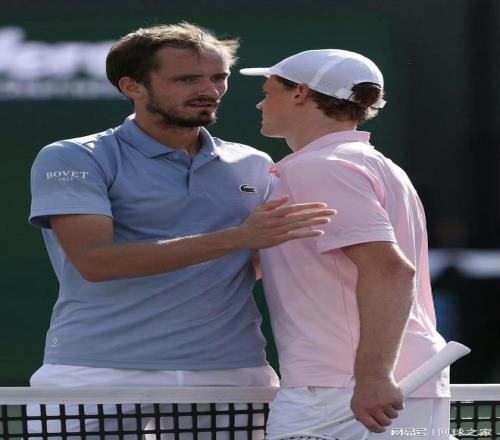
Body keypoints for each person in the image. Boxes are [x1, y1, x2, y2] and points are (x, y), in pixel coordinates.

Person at [27, 23, 335, 438]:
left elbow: (261, 261)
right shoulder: (73, 157)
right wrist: (240, 238)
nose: (209, 90)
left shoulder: (254, 163)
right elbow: (95, 262)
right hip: (96, 370)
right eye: (187, 79)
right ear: (132, 86)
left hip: (231, 372)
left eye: (218, 77)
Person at [240, 49, 449, 440]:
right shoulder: (375, 164)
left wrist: (373, 376)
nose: (260, 103)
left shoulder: (320, 166)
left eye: (269, 92)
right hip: (386, 382)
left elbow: (389, 269)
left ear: (301, 93)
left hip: (345, 390)